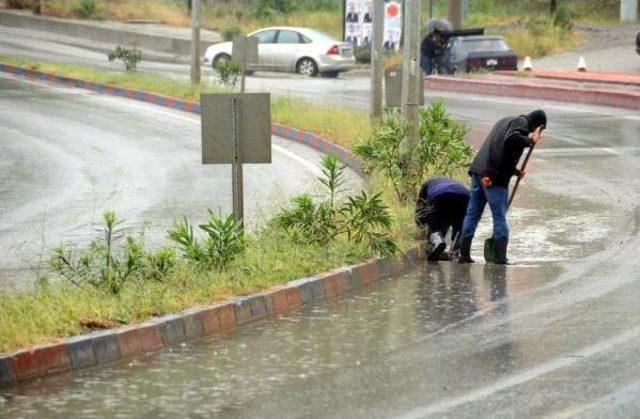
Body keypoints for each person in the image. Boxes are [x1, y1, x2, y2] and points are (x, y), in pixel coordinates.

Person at [458, 110, 546, 265]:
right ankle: (500, 257)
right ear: (538, 125)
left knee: (472, 215)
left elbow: (501, 149)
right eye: (539, 130)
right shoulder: (522, 124)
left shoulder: (506, 120)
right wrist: (531, 140)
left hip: (479, 171)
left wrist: (513, 170)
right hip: (493, 177)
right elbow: (511, 139)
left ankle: (464, 255)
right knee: (499, 217)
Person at [416, 177, 470, 261]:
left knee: (434, 227)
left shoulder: (426, 184)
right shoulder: (453, 182)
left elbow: (420, 209)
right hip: (464, 196)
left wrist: (421, 225)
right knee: (460, 226)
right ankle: (456, 251)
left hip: (439, 196)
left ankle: (437, 242)